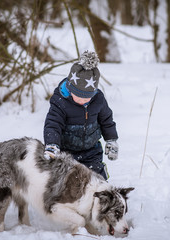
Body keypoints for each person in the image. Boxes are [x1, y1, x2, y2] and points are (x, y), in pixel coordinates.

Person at [43, 51, 119, 180]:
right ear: (70, 89)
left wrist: (111, 140)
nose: (83, 101)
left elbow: (106, 120)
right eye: (78, 96)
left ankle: (98, 197)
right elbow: (53, 124)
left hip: (92, 150)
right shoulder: (60, 101)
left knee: (96, 178)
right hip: (67, 151)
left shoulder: (98, 99)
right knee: (67, 180)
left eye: (87, 98)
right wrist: (52, 144)